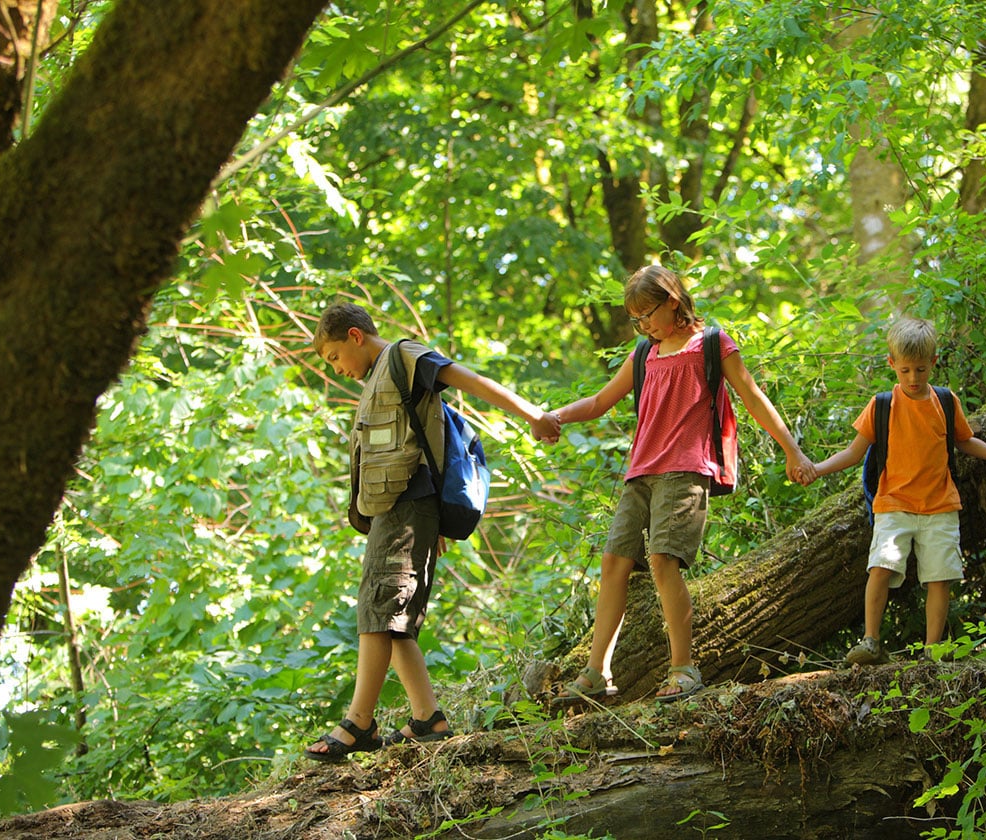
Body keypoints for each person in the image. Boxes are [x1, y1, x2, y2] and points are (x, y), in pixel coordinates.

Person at [305, 302, 560, 761]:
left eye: (334, 357)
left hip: (407, 507)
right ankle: (428, 718)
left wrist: (532, 414)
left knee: (380, 609)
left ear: (355, 337)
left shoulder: (405, 358)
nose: (338, 369)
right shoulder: (378, 378)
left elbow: (470, 381)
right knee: (390, 613)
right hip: (395, 510)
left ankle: (359, 723)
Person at [549, 265, 816, 704]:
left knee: (662, 560)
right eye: (636, 319)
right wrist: (556, 416)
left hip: (686, 467)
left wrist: (793, 451)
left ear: (673, 299)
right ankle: (597, 672)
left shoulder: (711, 344)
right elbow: (599, 401)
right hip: (642, 471)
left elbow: (752, 396)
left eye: (648, 313)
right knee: (614, 561)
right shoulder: (644, 354)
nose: (644, 324)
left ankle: (684, 669)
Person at [804, 316, 986, 665]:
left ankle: (932, 650)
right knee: (880, 567)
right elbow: (854, 453)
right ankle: (871, 641)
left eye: (921, 370)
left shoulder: (944, 401)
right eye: (906, 371)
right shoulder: (882, 405)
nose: (913, 379)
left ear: (934, 364)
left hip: (940, 505)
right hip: (893, 504)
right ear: (892, 364)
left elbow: (966, 441)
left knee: (939, 576)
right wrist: (815, 469)